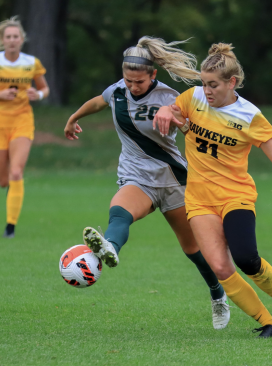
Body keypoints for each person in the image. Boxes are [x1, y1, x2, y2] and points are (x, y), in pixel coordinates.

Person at [64, 36, 231, 330]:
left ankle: (217, 295)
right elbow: (97, 102)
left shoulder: (169, 97)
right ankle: (110, 248)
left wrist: (184, 124)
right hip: (136, 175)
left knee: (192, 249)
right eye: (128, 80)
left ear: (153, 75)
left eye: (138, 82)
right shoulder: (117, 91)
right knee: (119, 210)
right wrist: (74, 117)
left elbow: (194, 124)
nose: (132, 86)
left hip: (172, 178)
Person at [153, 43, 272, 338]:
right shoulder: (194, 98)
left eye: (213, 84)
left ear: (231, 83)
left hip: (235, 195)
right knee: (220, 266)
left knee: (246, 259)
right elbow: (172, 108)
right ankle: (269, 323)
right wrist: (166, 111)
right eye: (204, 83)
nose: (207, 90)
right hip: (199, 199)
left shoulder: (250, 115)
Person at [0, 16, 49, 239]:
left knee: (16, 172)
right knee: (3, 180)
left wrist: (39, 94)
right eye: (9, 37)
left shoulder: (32, 63)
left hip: (22, 120)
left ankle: (10, 227)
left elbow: (45, 88)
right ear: (3, 40)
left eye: (16, 36)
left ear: (22, 39)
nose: (12, 40)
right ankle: (10, 193)